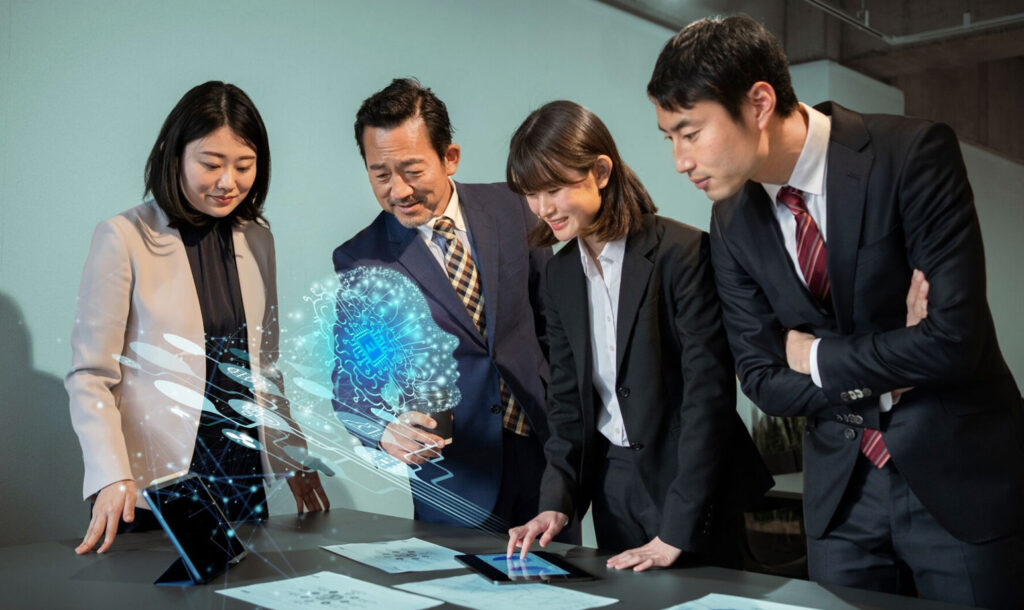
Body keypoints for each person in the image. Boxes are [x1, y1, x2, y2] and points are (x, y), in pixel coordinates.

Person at [648, 14, 1024, 608]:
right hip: (843, 501)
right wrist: (896, 360)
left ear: (759, 103)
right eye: (668, 138)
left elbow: (954, 341)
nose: (679, 160)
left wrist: (814, 354)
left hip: (958, 485)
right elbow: (763, 381)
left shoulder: (912, 154)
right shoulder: (731, 221)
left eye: (689, 132)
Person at [504, 100, 771, 571]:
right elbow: (568, 401)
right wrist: (555, 502)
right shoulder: (560, 274)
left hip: (694, 486)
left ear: (601, 171)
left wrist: (676, 530)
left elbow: (707, 398)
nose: (542, 208)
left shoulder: (683, 254)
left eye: (554, 188)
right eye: (531, 193)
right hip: (615, 486)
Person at [67, 81, 328, 555]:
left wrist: (292, 455)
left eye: (244, 166)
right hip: (154, 480)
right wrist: (111, 475)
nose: (228, 181)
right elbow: (91, 375)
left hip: (241, 470)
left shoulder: (258, 236)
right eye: (211, 164)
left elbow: (263, 366)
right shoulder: (122, 236)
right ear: (173, 155)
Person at [332, 78, 560, 534]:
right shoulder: (362, 258)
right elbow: (352, 386)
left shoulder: (516, 207)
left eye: (412, 170)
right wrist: (382, 430)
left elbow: (553, 325)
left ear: (449, 158)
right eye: (380, 174)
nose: (398, 190)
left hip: (545, 460)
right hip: (456, 480)